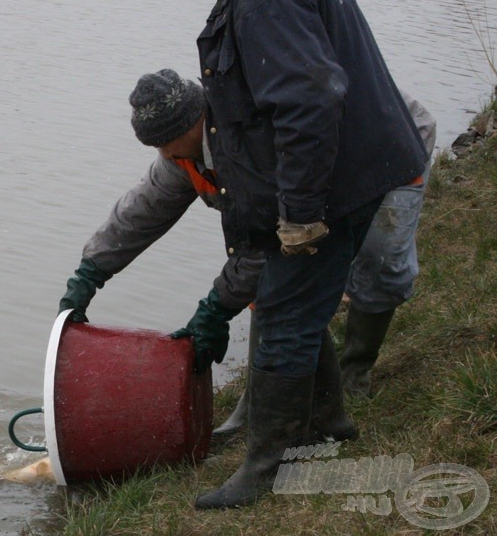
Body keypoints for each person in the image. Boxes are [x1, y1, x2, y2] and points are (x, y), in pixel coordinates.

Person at [149, 0, 428, 509]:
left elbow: (310, 97)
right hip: (356, 164)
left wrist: (299, 215)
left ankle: (267, 467)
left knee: (282, 317)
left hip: (334, 179)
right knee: (295, 302)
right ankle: (329, 424)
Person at [58, 69, 435, 439]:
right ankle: (256, 400)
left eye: (166, 142)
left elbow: (266, 246)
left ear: (194, 122)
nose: (163, 153)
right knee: (279, 279)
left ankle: (355, 375)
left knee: (379, 261)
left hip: (390, 143)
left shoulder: (252, 142)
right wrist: (90, 273)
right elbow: (141, 211)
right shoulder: (183, 155)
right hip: (322, 171)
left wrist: (215, 309)